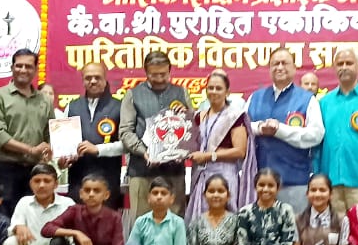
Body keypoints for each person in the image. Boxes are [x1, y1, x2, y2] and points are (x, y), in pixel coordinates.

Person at [247, 47, 326, 213]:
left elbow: (316, 135)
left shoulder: (307, 99)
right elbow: (242, 129)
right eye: (275, 64)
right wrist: (260, 128)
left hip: (294, 181)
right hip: (260, 184)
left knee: (294, 228)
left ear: (294, 68)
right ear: (269, 69)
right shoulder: (255, 97)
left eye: (284, 63)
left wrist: (280, 131)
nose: (280, 67)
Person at [120, 51, 192, 224]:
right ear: (146, 72)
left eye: (163, 74)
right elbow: (125, 132)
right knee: (143, 223)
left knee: (174, 222)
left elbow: (192, 126)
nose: (159, 79)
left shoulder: (181, 92)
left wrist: (186, 114)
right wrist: (144, 152)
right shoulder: (133, 94)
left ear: (170, 70)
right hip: (142, 170)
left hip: (174, 172)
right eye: (154, 75)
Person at [315, 49, 358, 216]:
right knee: (335, 230)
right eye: (340, 64)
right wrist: (318, 176)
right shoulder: (324, 102)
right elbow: (318, 143)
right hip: (331, 182)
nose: (344, 67)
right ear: (334, 68)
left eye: (349, 63)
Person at [0, 49, 55, 217]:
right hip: (6, 169)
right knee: (5, 217)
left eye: (28, 66)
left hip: (35, 171)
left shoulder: (45, 100)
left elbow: (51, 133)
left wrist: (50, 149)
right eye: (19, 66)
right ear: (12, 68)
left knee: (35, 216)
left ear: (35, 70)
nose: (23, 70)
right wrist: (31, 150)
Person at [187, 71, 254, 221]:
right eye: (210, 88)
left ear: (227, 92)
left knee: (225, 219)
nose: (214, 92)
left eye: (218, 88)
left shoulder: (235, 116)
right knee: (200, 221)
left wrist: (209, 156)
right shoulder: (199, 116)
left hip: (225, 175)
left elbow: (240, 151)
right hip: (200, 175)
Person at [64, 63, 124, 210]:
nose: (93, 81)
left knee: (106, 222)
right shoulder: (71, 106)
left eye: (97, 77)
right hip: (78, 179)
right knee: (78, 221)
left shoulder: (120, 106)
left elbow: (126, 145)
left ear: (105, 79)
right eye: (88, 78)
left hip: (108, 179)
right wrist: (63, 158)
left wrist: (98, 149)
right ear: (83, 80)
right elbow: (63, 143)